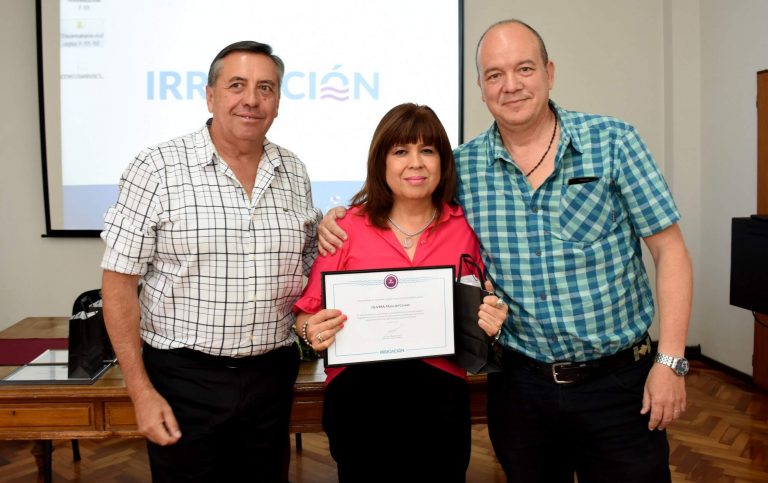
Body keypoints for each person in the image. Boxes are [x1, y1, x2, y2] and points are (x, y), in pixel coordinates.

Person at [317, 20, 693, 483]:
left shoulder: (614, 143)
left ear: (549, 73)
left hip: (618, 385)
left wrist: (671, 362)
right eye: (494, 74)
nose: (510, 85)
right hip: (520, 390)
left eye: (524, 69)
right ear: (480, 87)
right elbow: (407, 199)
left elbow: (670, 251)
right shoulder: (463, 168)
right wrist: (338, 217)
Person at [100, 41, 321, 483]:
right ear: (210, 95)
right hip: (184, 379)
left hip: (271, 376)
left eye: (265, 88)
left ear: (277, 101)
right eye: (237, 85)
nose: (251, 99)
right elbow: (118, 284)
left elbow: (308, 267)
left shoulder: (294, 170)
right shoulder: (156, 167)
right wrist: (141, 392)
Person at [294, 103, 508, 482]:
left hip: (441, 401)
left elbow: (485, 303)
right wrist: (312, 330)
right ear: (381, 161)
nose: (415, 163)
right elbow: (306, 315)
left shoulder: (467, 227)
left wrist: (491, 319)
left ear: (443, 162)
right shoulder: (345, 229)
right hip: (360, 400)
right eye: (400, 151)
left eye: (427, 150)